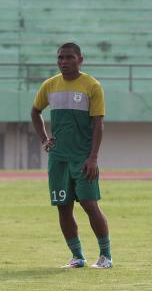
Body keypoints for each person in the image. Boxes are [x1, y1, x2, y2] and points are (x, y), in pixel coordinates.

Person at [31, 42, 113, 269]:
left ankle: (106, 256)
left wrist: (93, 157)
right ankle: (77, 257)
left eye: (68, 57)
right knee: (63, 206)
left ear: (80, 59)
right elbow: (35, 111)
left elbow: (98, 124)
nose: (63, 62)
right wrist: (44, 139)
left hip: (83, 158)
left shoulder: (92, 85)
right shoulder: (49, 85)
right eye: (60, 58)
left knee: (89, 205)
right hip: (58, 159)